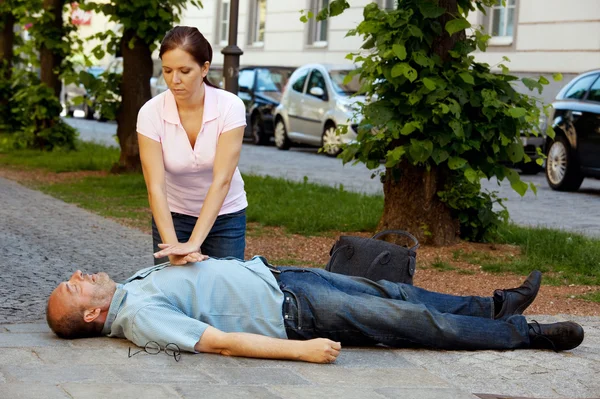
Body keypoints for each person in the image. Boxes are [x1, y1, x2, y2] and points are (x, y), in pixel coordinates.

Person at [46, 257, 585, 363]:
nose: (77, 277)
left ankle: (495, 306)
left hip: (283, 277)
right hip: (293, 311)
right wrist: (299, 352)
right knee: (415, 323)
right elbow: (219, 341)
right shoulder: (139, 319)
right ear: (93, 317)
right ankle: (525, 334)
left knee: (398, 293)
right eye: (73, 289)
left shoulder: (130, 287)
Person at [137, 26, 247, 266]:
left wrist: (194, 243)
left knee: (225, 291)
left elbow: (222, 180)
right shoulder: (150, 113)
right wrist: (174, 247)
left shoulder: (230, 107)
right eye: (167, 71)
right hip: (174, 216)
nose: (174, 80)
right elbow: (155, 187)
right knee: (173, 292)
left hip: (226, 215)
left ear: (204, 68)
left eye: (184, 71)